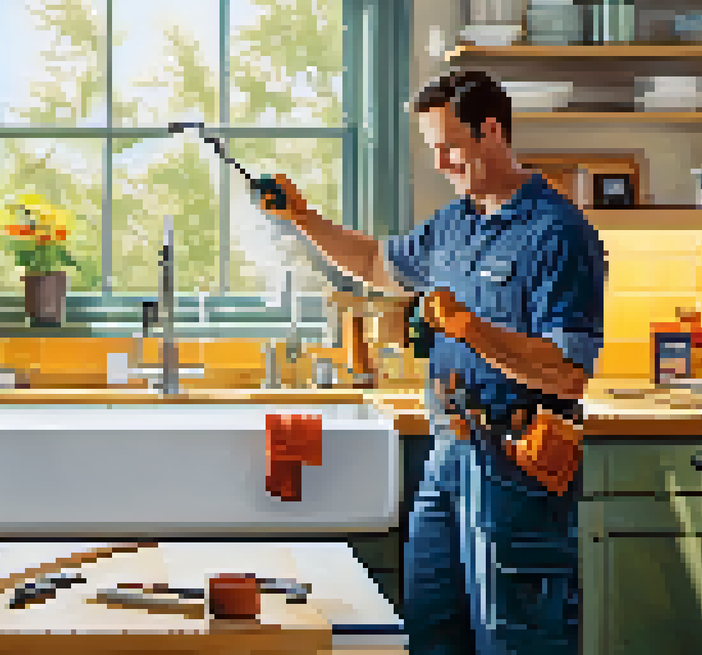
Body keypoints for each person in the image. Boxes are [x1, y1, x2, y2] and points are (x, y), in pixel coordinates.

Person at [256, 69, 606, 654]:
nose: (440, 162)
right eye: (432, 149)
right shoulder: (457, 222)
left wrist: (469, 329)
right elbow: (375, 263)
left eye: (449, 147)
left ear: (490, 130)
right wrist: (301, 216)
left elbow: (568, 370)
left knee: (515, 643)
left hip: (515, 470)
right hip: (447, 457)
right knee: (431, 635)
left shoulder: (559, 233)